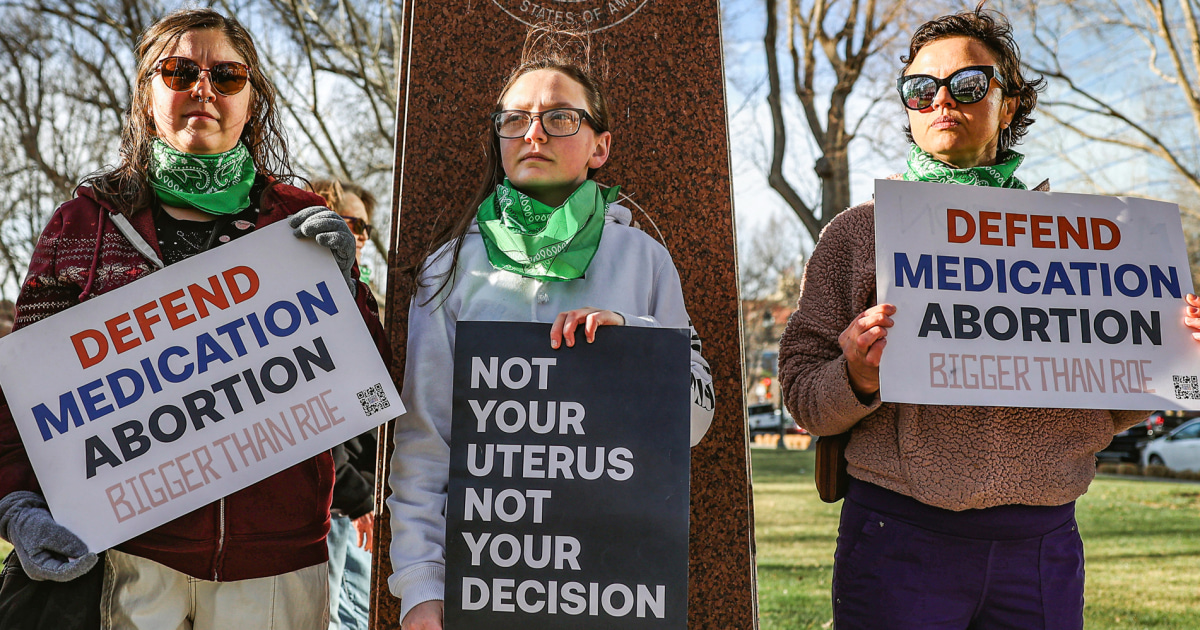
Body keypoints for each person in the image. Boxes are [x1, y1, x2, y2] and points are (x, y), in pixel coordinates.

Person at [778, 6, 1200, 629]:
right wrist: (857, 375)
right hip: (898, 536)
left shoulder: (1092, 242)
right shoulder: (855, 234)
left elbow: (1119, 410)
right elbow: (801, 394)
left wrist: (1168, 352)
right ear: (908, 108)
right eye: (921, 89)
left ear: (1008, 105)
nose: (942, 99)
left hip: (1044, 544)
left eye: (969, 84)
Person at [0, 9, 387, 629]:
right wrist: (18, 501)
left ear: (251, 100)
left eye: (227, 77)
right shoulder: (81, 226)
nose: (202, 89)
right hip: (128, 552)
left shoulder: (299, 219)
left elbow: (367, 383)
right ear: (146, 95)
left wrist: (350, 290)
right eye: (179, 72)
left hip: (279, 562)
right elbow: (24, 392)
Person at [385, 29, 717, 630]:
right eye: (515, 119)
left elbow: (695, 422)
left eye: (560, 117)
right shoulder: (451, 267)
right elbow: (424, 441)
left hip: (611, 588)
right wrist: (418, 586)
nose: (533, 133)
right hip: (487, 582)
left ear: (600, 146)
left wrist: (632, 343)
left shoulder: (645, 260)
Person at [308, 178, 380, 630]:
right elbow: (311, 413)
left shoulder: (365, 301)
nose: (361, 235)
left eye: (367, 228)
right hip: (333, 505)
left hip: (360, 505)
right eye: (352, 222)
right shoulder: (308, 301)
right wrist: (354, 494)